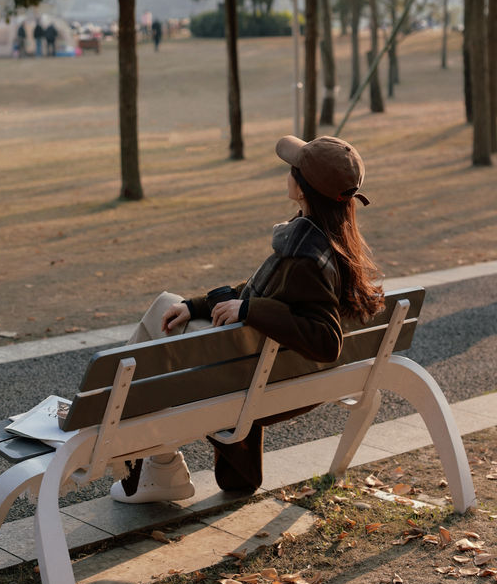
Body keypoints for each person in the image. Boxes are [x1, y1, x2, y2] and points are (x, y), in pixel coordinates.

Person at [110, 135, 384, 504]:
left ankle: (146, 463)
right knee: (173, 313)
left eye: (293, 170)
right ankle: (163, 466)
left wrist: (250, 310)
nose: (288, 175)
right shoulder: (331, 239)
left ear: (302, 188)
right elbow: (271, 292)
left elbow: (326, 339)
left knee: (160, 315)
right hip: (277, 373)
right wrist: (199, 305)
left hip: (257, 380)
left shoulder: (307, 254)